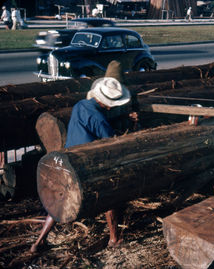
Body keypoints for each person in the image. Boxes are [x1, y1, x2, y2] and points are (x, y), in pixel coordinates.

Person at [30, 60, 138, 253]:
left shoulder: (81, 105)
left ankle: (38, 242)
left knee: (58, 201)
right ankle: (114, 239)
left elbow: (95, 121)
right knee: (111, 197)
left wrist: (121, 118)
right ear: (107, 103)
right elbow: (110, 141)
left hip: (67, 159)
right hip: (86, 164)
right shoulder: (99, 118)